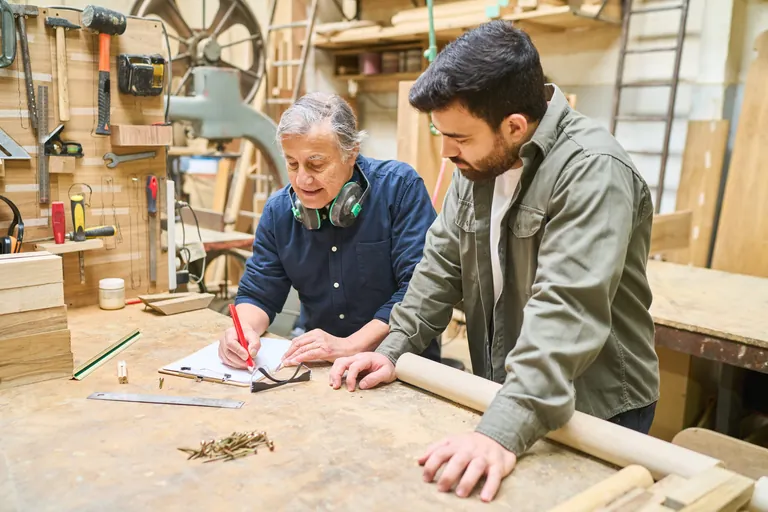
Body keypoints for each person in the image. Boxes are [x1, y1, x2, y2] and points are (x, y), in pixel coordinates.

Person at [329, 21, 660, 503]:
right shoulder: (481, 161)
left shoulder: (593, 171)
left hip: (595, 407)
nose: (446, 152)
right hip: (514, 393)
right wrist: (392, 347)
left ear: (514, 126)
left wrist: (501, 430)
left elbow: (567, 311)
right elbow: (440, 264)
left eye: (458, 137)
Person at [218, 92, 441, 370]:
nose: (301, 179)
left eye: (316, 164)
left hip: (402, 365)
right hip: (323, 368)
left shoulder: (399, 189)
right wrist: (243, 332)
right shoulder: (279, 211)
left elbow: (420, 290)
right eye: (292, 163)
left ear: (352, 152)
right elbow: (258, 294)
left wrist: (349, 345)